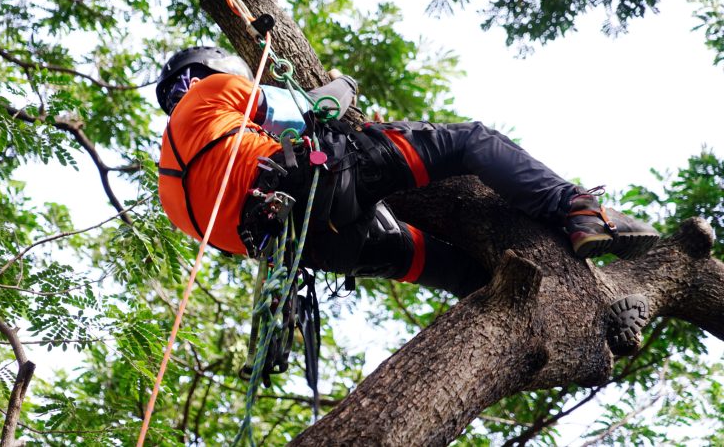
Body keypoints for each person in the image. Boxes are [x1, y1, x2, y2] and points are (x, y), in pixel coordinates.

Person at [156, 46, 659, 297]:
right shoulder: (208, 95)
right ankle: (578, 211)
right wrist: (338, 88)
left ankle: (529, 295)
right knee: (469, 141)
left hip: (321, 247)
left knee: (449, 268)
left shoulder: (172, 202)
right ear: (212, 69)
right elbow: (317, 108)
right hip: (325, 182)